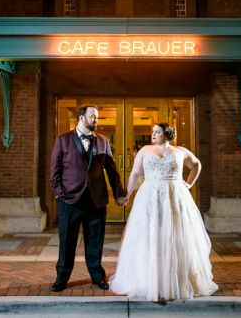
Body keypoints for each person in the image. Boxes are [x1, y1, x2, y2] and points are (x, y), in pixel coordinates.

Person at [109, 122, 218, 301]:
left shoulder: (180, 151)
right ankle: (148, 280)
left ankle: (176, 280)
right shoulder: (145, 150)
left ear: (166, 134)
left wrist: (189, 183)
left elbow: (196, 164)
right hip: (150, 198)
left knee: (174, 235)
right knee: (150, 235)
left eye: (157, 132)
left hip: (175, 197)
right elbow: (135, 174)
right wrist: (126, 195)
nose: (153, 135)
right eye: (152, 132)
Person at [50, 104, 127, 292]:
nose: (96, 120)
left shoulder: (103, 141)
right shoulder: (62, 139)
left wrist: (119, 193)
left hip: (96, 200)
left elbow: (111, 170)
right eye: (93, 116)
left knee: (95, 240)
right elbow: (55, 170)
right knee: (67, 241)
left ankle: (97, 277)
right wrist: (59, 192)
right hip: (70, 200)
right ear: (81, 118)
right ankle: (62, 278)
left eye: (97, 117)